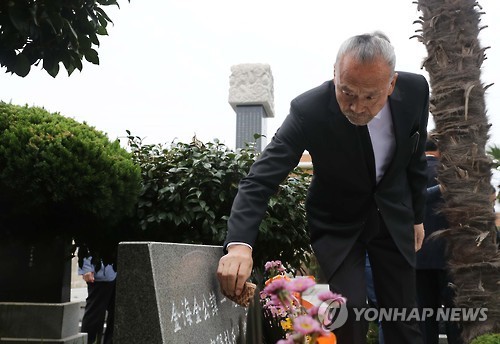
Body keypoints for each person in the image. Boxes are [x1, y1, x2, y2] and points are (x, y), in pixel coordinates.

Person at [217, 31, 429, 344]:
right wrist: (238, 245)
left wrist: (417, 216)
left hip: (393, 217)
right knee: (349, 312)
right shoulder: (309, 111)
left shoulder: (415, 91)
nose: (357, 107)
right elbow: (260, 179)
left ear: (391, 84)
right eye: (347, 93)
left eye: (370, 96)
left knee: (403, 318)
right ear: (334, 74)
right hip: (338, 223)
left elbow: (415, 158)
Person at [416, 137, 463, 344]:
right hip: (449, 257)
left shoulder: (410, 174)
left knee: (425, 317)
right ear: (440, 151)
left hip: (418, 257)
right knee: (454, 316)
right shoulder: (453, 174)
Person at [79, 256, 116, 344]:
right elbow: (86, 244)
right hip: (101, 272)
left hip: (120, 271)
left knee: (116, 315)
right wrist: (86, 268)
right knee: (95, 315)